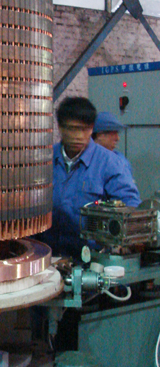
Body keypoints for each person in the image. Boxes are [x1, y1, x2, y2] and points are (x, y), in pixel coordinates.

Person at [43, 96, 140, 259]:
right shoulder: (44, 160)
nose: (78, 136)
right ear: (59, 127)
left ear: (92, 128)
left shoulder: (110, 164)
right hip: (47, 256)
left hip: (94, 259)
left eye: (85, 129)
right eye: (72, 129)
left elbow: (130, 206)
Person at [92, 111, 133, 176]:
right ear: (99, 135)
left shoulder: (119, 160)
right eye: (113, 134)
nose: (117, 138)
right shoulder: (84, 159)